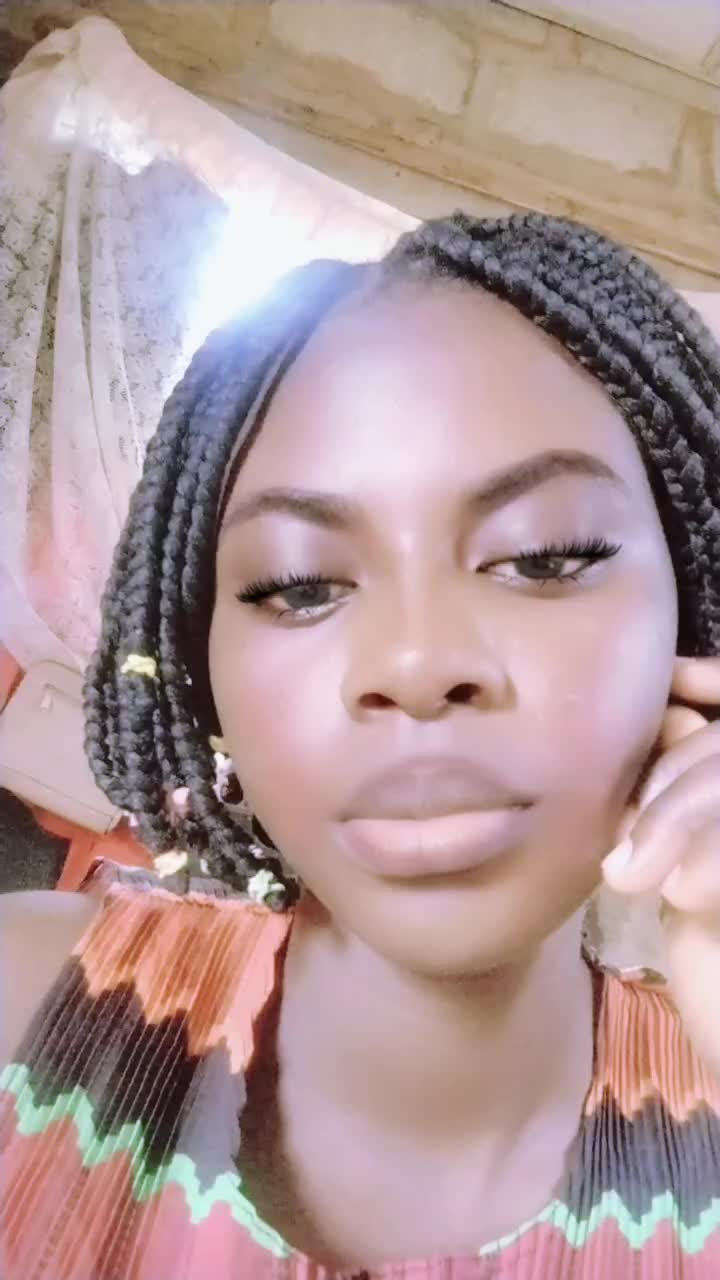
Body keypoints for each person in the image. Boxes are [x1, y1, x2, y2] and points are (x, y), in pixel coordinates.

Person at [2, 211, 720, 1279]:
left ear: (692, 616)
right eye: (299, 584)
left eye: (546, 556)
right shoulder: (17, 1007)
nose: (418, 661)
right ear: (202, 665)